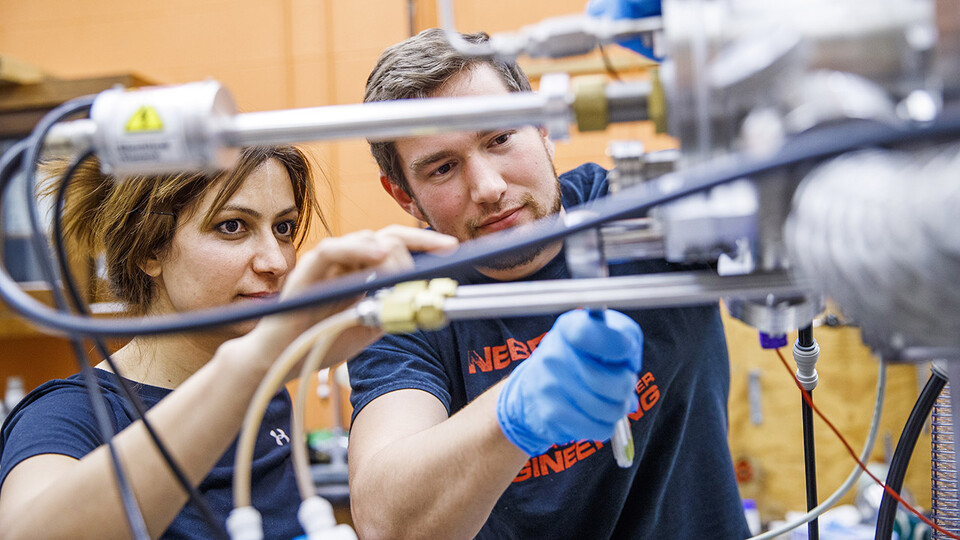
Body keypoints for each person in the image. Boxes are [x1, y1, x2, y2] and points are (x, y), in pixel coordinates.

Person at [347, 28, 751, 539]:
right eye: (444, 168)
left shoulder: (641, 212)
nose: (489, 188)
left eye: (499, 139)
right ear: (403, 196)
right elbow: (387, 522)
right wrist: (515, 410)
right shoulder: (405, 298)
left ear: (541, 125)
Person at [0, 145, 457, 539]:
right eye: (233, 226)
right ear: (148, 251)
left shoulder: (265, 395)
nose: (276, 261)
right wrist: (263, 357)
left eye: (283, 228)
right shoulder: (68, 415)